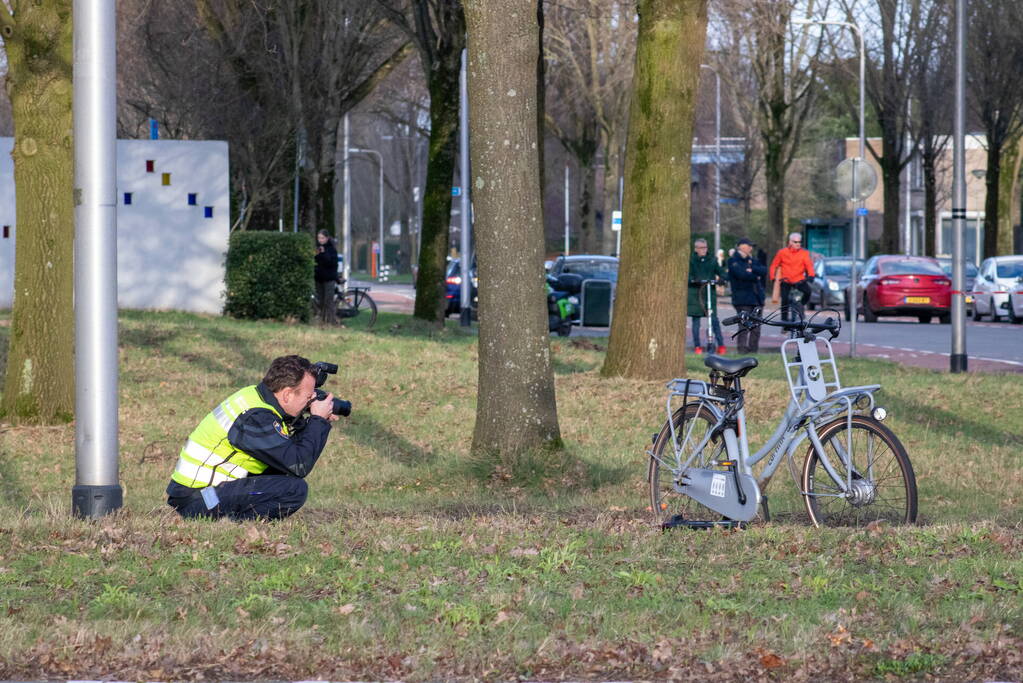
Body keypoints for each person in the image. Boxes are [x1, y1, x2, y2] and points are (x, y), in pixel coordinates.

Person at [166, 355, 340, 521]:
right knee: (294, 490)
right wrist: (318, 422)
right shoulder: (256, 417)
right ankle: (233, 525)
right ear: (287, 394)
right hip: (200, 500)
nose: (310, 402)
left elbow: (286, 459)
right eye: (308, 397)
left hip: (198, 494)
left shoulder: (254, 396)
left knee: (283, 476)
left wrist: (313, 423)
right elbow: (299, 464)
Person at [688, 238, 728, 355]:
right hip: (696, 295)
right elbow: (689, 275)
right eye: (701, 248)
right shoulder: (691, 260)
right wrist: (694, 280)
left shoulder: (712, 260)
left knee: (714, 320)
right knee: (696, 323)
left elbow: (722, 272)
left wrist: (722, 279)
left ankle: (721, 345)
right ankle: (697, 346)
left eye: (705, 247)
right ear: (696, 249)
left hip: (710, 294)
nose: (704, 250)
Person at [728, 238, 768, 354]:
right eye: (749, 245)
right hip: (742, 299)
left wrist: (753, 270)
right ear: (741, 246)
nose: (751, 248)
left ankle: (753, 351)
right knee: (744, 326)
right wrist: (755, 276)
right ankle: (742, 350)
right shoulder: (733, 260)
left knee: (756, 327)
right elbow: (741, 275)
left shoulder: (752, 260)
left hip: (756, 298)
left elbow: (764, 270)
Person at [769, 232, 815, 321]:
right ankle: (784, 320)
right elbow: (774, 265)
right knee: (785, 300)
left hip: (799, 280)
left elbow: (809, 266)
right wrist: (773, 278)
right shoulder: (782, 252)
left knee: (808, 292)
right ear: (790, 242)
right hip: (786, 280)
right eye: (795, 242)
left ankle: (801, 305)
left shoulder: (804, 253)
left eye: (799, 242)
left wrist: (811, 275)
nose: (798, 244)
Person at [314, 230, 339, 323]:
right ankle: (322, 321)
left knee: (328, 301)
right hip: (319, 279)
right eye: (319, 238)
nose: (320, 240)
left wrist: (324, 253)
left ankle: (331, 322)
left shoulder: (331, 249)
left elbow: (331, 263)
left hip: (329, 279)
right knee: (320, 301)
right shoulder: (317, 249)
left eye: (322, 238)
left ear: (327, 238)